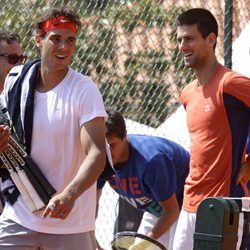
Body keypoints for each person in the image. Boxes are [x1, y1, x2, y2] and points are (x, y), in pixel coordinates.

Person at [0, 7, 107, 250]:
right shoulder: (17, 79)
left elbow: (97, 154)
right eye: (55, 39)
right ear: (39, 40)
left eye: (70, 40)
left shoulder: (84, 90)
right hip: (20, 214)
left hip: (71, 222)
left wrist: (69, 195)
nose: (64, 47)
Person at [173, 8, 250, 250]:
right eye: (179, 40)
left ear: (211, 39)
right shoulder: (186, 94)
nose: (183, 46)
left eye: (189, 39)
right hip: (189, 204)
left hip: (224, 203)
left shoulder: (230, 83)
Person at [96, 110, 190, 250]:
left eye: (112, 145)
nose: (107, 152)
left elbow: (172, 211)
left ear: (125, 136)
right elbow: (92, 205)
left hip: (186, 205)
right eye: (103, 147)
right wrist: (93, 240)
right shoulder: (98, 158)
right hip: (159, 207)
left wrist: (145, 243)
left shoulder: (151, 161)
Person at [0, 31, 26, 214]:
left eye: (21, 59)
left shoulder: (22, 99)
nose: (19, 65)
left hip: (21, 194)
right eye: (12, 58)